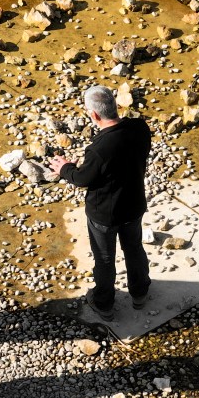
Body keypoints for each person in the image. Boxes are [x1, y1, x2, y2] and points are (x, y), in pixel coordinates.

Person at [49, 85, 152, 321]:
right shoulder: (139, 128)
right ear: (114, 106)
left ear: (94, 115)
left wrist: (64, 167)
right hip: (134, 205)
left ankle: (104, 303)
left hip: (104, 215)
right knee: (134, 248)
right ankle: (140, 292)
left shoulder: (99, 149)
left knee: (105, 259)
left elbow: (82, 178)